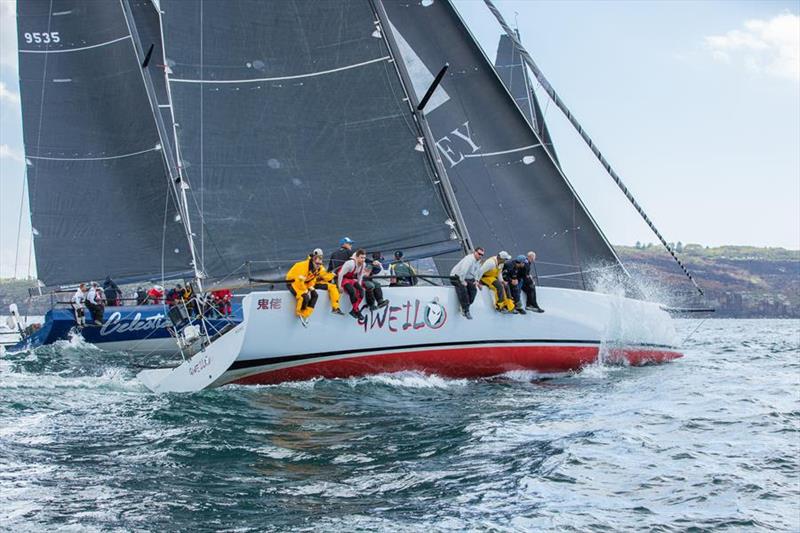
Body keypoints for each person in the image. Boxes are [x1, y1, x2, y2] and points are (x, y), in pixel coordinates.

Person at [286, 249, 326, 327]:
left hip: (304, 283)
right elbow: (298, 282)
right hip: (293, 283)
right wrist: (305, 289)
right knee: (304, 296)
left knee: (315, 295)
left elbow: (312, 279)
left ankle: (306, 313)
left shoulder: (317, 269)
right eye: (317, 263)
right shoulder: (303, 266)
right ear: (313, 260)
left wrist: (311, 287)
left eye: (320, 264)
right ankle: (300, 311)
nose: (319, 265)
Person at [449, 247, 484, 319]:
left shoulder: (478, 261)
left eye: (482, 255)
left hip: (467, 278)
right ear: (475, 252)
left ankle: (464, 306)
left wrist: (477, 281)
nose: (480, 256)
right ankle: (466, 310)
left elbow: (476, 272)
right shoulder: (469, 259)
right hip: (456, 276)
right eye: (479, 254)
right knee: (463, 289)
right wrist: (462, 281)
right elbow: (463, 270)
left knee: (473, 291)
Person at [338, 248, 368, 320]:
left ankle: (354, 310)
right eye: (361, 258)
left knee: (361, 291)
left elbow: (360, 276)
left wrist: (359, 286)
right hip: (343, 278)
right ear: (357, 257)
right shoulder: (350, 263)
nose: (363, 259)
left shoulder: (363, 264)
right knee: (352, 292)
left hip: (351, 279)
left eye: (364, 258)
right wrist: (339, 286)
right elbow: (340, 274)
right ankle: (356, 311)